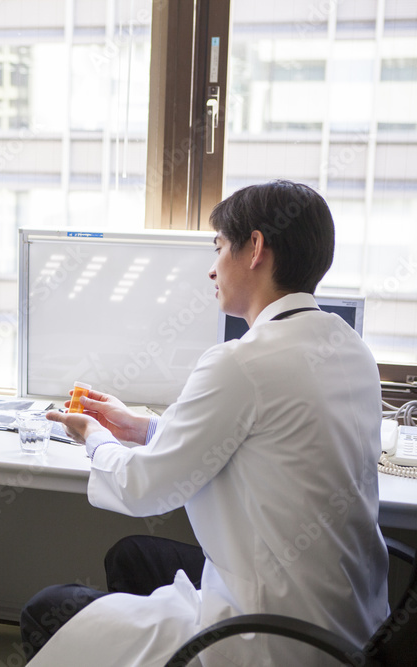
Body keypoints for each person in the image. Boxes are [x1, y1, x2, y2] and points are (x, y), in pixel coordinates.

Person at [21, 180, 389, 666]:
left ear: (254, 247)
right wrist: (143, 428)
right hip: (350, 620)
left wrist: (96, 437)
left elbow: (142, 489)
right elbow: (258, 444)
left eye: (218, 248)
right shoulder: (350, 348)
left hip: (271, 631)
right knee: (133, 556)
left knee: (46, 610)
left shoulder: (242, 361)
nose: (212, 268)